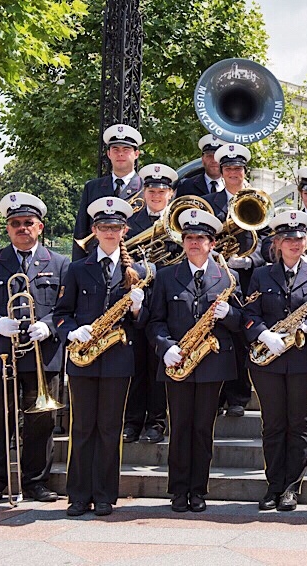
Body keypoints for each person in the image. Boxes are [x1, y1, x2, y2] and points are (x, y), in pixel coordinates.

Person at [0, 192, 70, 506]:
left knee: (41, 422)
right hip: (2, 353)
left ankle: (36, 483)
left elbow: (67, 307)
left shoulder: (60, 263)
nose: (22, 228)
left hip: (43, 356)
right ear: (7, 228)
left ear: (40, 227)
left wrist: (50, 325)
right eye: (15, 223)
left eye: (28, 223)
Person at [55, 196, 149, 516]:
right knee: (82, 428)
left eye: (116, 227)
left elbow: (143, 323)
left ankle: (105, 493)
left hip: (118, 360)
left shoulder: (135, 271)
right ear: (94, 230)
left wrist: (138, 307)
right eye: (104, 226)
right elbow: (61, 314)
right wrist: (72, 331)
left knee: (109, 429)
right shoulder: (77, 268)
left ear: (124, 230)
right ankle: (78, 495)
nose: (110, 232)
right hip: (83, 357)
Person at [148, 208, 243, 513]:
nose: (193, 243)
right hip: (177, 361)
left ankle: (198, 490)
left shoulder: (229, 277)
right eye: (189, 237)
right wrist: (166, 347)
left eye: (200, 238)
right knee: (180, 428)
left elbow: (241, 322)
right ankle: (177, 490)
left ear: (212, 243)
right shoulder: (166, 277)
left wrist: (229, 316)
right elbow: (154, 322)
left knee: (203, 429)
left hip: (212, 362)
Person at [243, 209, 307, 512]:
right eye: (288, 239)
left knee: (298, 424)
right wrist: (261, 333)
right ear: (278, 243)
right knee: (272, 425)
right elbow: (248, 313)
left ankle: (292, 488)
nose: (295, 244)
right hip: (268, 361)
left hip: (304, 360)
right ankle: (273, 485)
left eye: (300, 238)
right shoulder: (260, 274)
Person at [203, 142, 264, 417]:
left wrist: (250, 260)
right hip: (214, 276)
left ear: (244, 171)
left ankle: (238, 397)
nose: (234, 174)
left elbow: (267, 242)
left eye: (238, 169)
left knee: (240, 336)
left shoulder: (257, 199)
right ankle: (214, 396)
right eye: (229, 169)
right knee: (212, 332)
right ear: (222, 171)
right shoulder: (210, 202)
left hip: (247, 278)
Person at [123, 163, 179, 445]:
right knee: (136, 362)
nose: (156, 195)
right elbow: (124, 260)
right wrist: (146, 272)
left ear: (170, 194)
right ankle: (132, 421)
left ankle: (156, 422)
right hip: (136, 300)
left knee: (159, 362)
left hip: (166, 301)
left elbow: (182, 262)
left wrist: (154, 271)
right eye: (151, 190)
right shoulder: (130, 222)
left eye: (161, 191)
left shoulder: (180, 221)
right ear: (143, 192)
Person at [73, 124, 144, 259]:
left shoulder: (146, 189)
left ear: (136, 154)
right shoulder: (92, 187)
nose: (120, 154)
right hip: (97, 262)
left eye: (126, 149)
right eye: (115, 149)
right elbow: (81, 230)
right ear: (109, 154)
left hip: (135, 261)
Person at [174, 134, 225, 198]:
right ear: (203, 159)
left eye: (216, 156)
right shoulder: (186, 185)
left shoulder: (233, 185)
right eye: (209, 156)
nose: (214, 160)